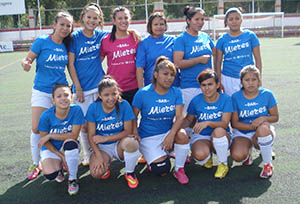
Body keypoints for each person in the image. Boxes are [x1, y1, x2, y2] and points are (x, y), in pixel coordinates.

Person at [21, 11, 73, 180]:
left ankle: (59, 160)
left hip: (61, 92)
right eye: (62, 24)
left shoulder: (68, 44)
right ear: (54, 25)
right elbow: (27, 59)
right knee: (37, 127)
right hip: (42, 90)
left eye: (68, 25)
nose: (65, 28)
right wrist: (26, 64)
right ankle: (36, 163)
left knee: (60, 127)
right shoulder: (42, 41)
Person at [132, 56, 190, 185]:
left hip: (167, 133)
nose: (169, 78)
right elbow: (133, 117)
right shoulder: (142, 93)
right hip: (148, 137)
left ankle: (179, 169)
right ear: (156, 74)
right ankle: (152, 158)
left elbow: (180, 117)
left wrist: (170, 135)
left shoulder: (176, 92)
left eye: (172, 75)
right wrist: (135, 133)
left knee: (182, 135)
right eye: (165, 74)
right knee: (161, 169)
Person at [68, 3, 107, 166]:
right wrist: (77, 87)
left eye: (95, 18)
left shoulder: (101, 36)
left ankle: (103, 153)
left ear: (99, 20)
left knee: (99, 123)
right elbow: (70, 64)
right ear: (83, 17)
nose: (91, 20)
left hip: (99, 88)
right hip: (81, 89)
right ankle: (87, 153)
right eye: (89, 17)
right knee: (84, 126)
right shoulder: (74, 38)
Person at [86, 76, 140, 189]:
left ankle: (130, 172)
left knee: (132, 142)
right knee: (96, 173)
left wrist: (105, 138)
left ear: (118, 93)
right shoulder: (93, 108)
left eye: (114, 94)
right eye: (106, 95)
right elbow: (91, 136)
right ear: (100, 96)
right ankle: (106, 164)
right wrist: (98, 154)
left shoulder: (124, 104)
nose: (111, 98)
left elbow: (127, 131)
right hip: (102, 148)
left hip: (119, 144)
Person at [182, 69, 233, 179]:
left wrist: (208, 123)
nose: (207, 88)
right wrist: (174, 127)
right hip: (202, 136)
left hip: (221, 135)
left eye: (210, 84)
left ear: (217, 84)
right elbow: (188, 120)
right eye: (203, 85)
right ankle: (207, 157)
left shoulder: (226, 99)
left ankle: (223, 164)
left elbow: (224, 124)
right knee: (200, 155)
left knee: (219, 130)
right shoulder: (196, 100)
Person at [230, 65, 278, 179]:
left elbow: (275, 117)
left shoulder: (267, 94)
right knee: (237, 156)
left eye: (254, 80)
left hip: (262, 131)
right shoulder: (235, 97)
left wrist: (263, 119)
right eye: (247, 80)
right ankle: (247, 152)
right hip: (243, 132)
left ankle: (268, 165)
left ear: (259, 81)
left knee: (263, 128)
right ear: (241, 82)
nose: (250, 83)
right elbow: (234, 124)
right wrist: (252, 126)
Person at [38, 83, 85, 195]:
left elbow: (74, 135)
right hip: (51, 149)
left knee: (71, 145)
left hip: (67, 145)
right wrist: (61, 156)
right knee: (50, 175)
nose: (63, 98)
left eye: (66, 95)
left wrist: (51, 135)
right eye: (59, 96)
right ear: (53, 100)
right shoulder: (45, 116)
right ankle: (58, 168)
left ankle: (72, 180)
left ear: (71, 97)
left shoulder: (76, 110)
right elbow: (45, 141)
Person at [173, 6, 216, 112]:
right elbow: (178, 63)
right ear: (188, 20)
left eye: (202, 19)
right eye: (196, 19)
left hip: (208, 84)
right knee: (190, 120)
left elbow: (216, 54)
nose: (200, 22)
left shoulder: (205, 37)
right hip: (190, 86)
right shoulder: (181, 39)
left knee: (208, 115)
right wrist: (198, 60)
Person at [215, 7, 262, 96]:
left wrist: (258, 77)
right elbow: (218, 62)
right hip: (228, 77)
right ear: (226, 21)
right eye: (231, 19)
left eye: (237, 18)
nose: (234, 21)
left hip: (248, 77)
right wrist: (219, 80)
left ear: (241, 20)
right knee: (232, 105)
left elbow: (258, 59)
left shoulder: (250, 36)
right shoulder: (222, 39)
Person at [101, 7, 139, 104]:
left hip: (133, 87)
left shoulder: (135, 37)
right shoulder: (106, 40)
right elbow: (97, 63)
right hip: (114, 89)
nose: (123, 21)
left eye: (126, 18)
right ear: (114, 21)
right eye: (120, 18)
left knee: (133, 118)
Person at [136, 12, 180, 88]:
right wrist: (141, 90)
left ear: (165, 25)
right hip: (152, 86)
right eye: (156, 24)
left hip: (173, 85)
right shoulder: (143, 43)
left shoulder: (173, 40)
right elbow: (139, 68)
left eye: (161, 24)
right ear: (150, 26)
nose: (159, 27)